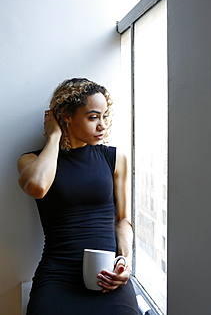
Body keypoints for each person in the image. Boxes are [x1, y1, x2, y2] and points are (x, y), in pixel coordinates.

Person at [17, 78, 139, 314]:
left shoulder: (113, 159)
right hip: (58, 277)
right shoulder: (32, 161)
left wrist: (124, 261)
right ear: (66, 117)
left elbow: (123, 220)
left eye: (104, 116)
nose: (102, 125)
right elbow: (37, 187)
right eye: (93, 117)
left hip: (107, 277)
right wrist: (54, 137)